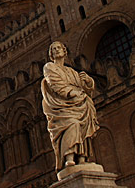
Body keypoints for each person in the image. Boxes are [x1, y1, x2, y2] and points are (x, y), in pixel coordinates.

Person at [41, 41, 99, 170]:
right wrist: (71, 92)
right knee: (73, 123)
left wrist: (88, 81)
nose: (57, 50)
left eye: (59, 48)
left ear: (64, 50)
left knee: (82, 124)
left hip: (79, 104)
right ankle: (69, 157)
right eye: (54, 49)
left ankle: (82, 158)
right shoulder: (49, 67)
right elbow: (55, 84)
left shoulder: (71, 71)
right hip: (62, 106)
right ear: (51, 54)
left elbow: (84, 88)